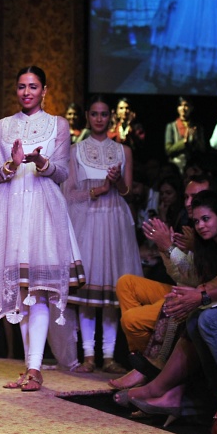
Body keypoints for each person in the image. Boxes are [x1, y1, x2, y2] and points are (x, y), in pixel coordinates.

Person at [0, 65, 84, 392]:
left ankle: (36, 368)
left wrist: (41, 163)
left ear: (44, 90)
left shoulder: (58, 125)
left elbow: (63, 172)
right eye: (22, 86)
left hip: (43, 209)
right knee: (20, 292)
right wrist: (10, 165)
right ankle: (29, 367)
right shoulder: (2, 126)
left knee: (38, 289)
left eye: (33, 86)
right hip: (11, 209)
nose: (27, 92)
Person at [111, 189, 217, 390]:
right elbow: (180, 275)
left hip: (203, 294)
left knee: (133, 319)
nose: (200, 225)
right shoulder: (201, 239)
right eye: (197, 221)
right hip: (186, 288)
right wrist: (165, 248)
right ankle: (143, 364)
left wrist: (169, 247)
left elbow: (196, 279)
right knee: (126, 283)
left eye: (205, 219)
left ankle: (147, 370)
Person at [63, 96, 142, 374]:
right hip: (87, 220)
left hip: (114, 220)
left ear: (111, 117)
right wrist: (99, 190)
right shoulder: (74, 150)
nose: (99, 119)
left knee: (111, 292)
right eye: (95, 114)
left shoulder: (123, 151)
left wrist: (116, 181)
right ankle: (88, 356)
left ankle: (108, 357)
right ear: (87, 115)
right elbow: (68, 193)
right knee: (87, 292)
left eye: (104, 114)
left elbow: (127, 191)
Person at [165, 97, 206, 175]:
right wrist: (184, 142)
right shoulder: (171, 126)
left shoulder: (197, 127)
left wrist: (195, 139)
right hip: (176, 167)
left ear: (191, 108)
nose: (183, 108)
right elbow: (168, 150)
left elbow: (203, 149)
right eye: (180, 105)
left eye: (186, 105)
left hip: (193, 167)